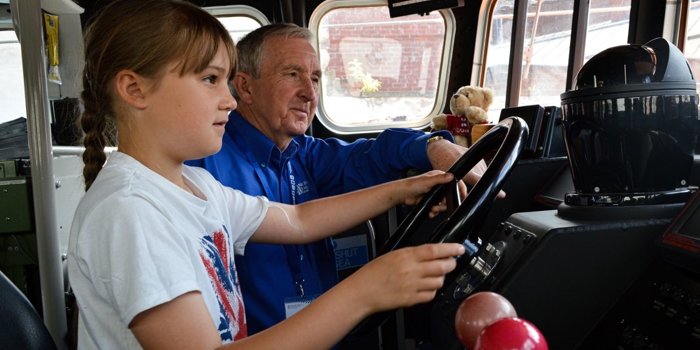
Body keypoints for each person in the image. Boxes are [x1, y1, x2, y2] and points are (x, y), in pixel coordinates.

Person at [67, 1, 465, 349]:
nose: (228, 98)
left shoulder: (197, 187)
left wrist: (405, 189)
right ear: (135, 90)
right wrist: (363, 292)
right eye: (210, 79)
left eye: (226, 81)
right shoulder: (130, 213)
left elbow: (298, 219)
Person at [186, 23, 497, 336]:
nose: (309, 93)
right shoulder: (202, 166)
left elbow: (373, 154)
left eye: (316, 78)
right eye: (292, 74)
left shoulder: (304, 153)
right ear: (246, 87)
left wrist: (433, 145)